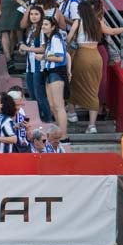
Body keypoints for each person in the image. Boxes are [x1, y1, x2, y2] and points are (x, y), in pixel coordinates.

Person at [68, 0, 123, 134]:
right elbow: (112, 31)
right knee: (93, 90)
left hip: (81, 55)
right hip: (96, 56)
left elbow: (69, 38)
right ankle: (92, 126)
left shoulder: (78, 22)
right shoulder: (98, 22)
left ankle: (72, 114)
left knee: (74, 84)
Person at [37, 17, 70, 148]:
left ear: (52, 27)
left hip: (57, 72)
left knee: (58, 106)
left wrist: (44, 56)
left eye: (46, 24)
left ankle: (64, 136)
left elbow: (60, 56)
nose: (43, 26)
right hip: (50, 72)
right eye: (42, 24)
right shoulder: (50, 39)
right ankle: (60, 134)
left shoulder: (56, 38)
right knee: (52, 106)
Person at [18, 5, 53, 123]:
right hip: (30, 66)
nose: (33, 16)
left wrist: (27, 49)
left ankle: (48, 119)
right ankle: (38, 118)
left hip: (39, 66)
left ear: (41, 15)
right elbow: (29, 48)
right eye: (31, 14)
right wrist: (23, 50)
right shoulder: (29, 29)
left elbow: (43, 49)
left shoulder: (42, 29)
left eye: (36, 14)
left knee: (40, 95)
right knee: (32, 95)